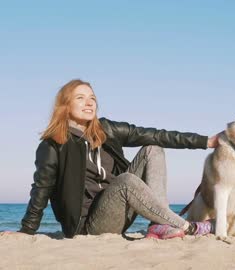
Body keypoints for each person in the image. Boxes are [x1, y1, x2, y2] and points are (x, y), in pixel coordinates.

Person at [19, 79, 218, 239]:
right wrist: (27, 230)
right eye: (80, 98)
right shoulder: (54, 144)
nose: (89, 103)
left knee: (153, 148)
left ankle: (159, 225)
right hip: (88, 226)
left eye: (92, 98)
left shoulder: (107, 130)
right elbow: (41, 188)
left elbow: (156, 135)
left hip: (120, 209)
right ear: (65, 105)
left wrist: (205, 141)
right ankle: (190, 227)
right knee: (125, 181)